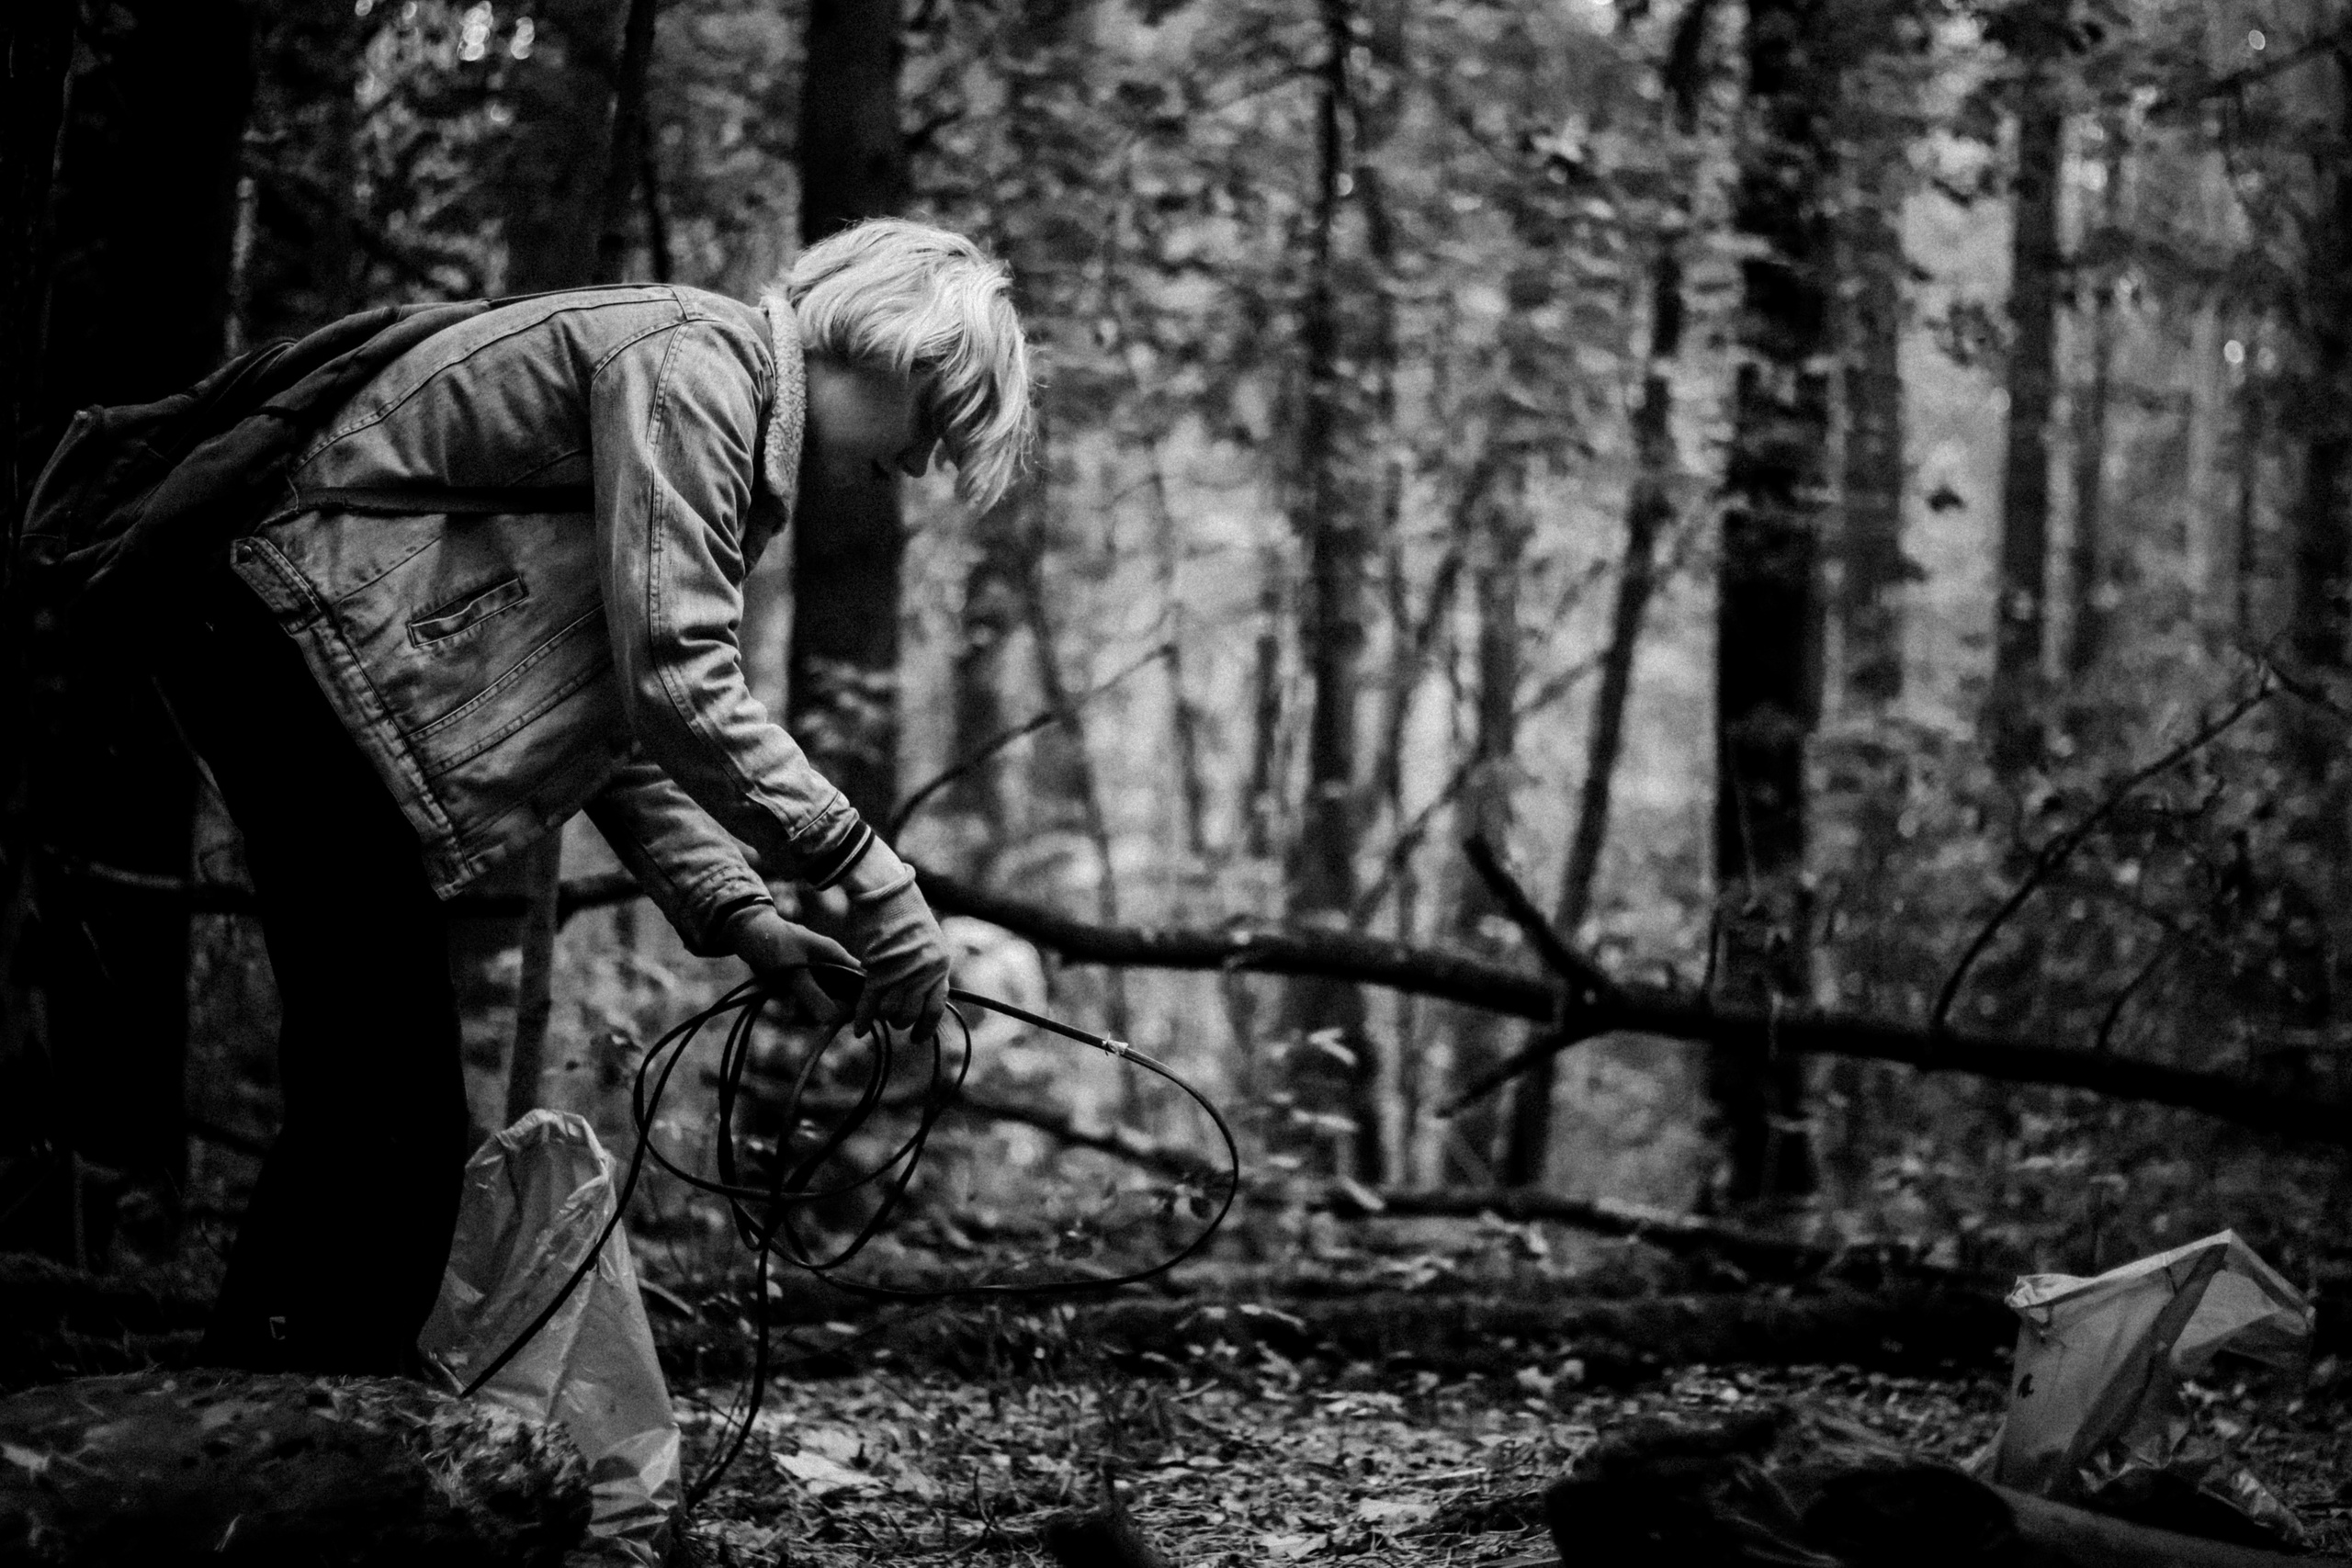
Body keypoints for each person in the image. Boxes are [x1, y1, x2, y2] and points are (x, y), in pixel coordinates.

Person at [160, 218, 1034, 1376]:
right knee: (389, 1113)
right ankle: (293, 1427)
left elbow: (611, 715)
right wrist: (870, 872)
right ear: (885, 343)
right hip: (285, 645)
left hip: (290, 668)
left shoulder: (710, 407)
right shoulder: (698, 367)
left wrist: (742, 917)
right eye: (933, 421)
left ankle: (285, 1409)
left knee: (379, 1100)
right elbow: (678, 678)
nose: (923, 464)